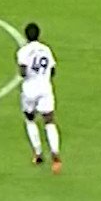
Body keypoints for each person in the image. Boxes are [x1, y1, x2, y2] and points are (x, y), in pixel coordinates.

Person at [17, 22, 62, 173]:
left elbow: (23, 72)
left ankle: (38, 153)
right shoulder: (46, 49)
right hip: (45, 87)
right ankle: (55, 154)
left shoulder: (23, 51)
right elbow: (53, 69)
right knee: (49, 120)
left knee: (30, 118)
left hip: (30, 88)